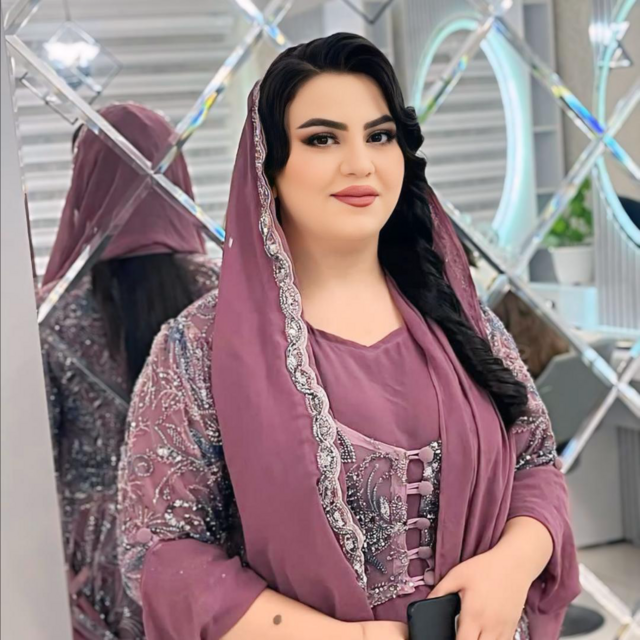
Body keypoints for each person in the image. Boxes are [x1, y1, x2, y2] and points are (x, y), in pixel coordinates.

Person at [117, 34, 580, 640]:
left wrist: (510, 566)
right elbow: (161, 551)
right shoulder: (199, 349)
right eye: (322, 139)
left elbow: (535, 463)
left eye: (379, 136)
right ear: (268, 168)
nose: (360, 163)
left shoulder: (460, 318)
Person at [38, 103, 219, 639]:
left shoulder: (53, 315)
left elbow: (29, 459)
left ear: (85, 185)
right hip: (208, 542)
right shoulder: (224, 292)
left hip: (93, 560)